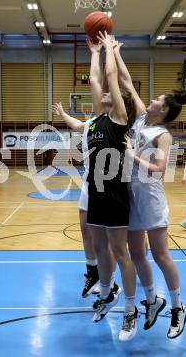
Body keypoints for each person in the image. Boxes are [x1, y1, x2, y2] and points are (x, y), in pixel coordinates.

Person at [125, 90, 186, 339]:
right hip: (131, 192)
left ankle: (177, 307)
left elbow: (160, 170)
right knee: (137, 253)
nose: (151, 101)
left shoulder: (163, 135)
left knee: (161, 254)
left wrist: (132, 155)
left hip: (150, 195)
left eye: (156, 100)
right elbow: (128, 84)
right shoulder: (142, 119)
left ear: (163, 110)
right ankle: (152, 300)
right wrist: (112, 52)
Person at [87, 32, 138, 341]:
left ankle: (130, 310)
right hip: (95, 193)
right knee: (99, 249)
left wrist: (108, 49)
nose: (106, 91)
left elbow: (108, 76)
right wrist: (94, 51)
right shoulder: (96, 120)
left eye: (113, 91)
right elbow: (95, 80)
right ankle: (107, 296)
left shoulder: (119, 119)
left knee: (120, 252)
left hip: (116, 194)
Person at [51, 102, 120, 298]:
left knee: (107, 238)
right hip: (89, 182)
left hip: (109, 183)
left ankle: (111, 282)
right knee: (85, 229)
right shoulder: (91, 123)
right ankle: (92, 272)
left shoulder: (117, 121)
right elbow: (76, 125)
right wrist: (63, 114)